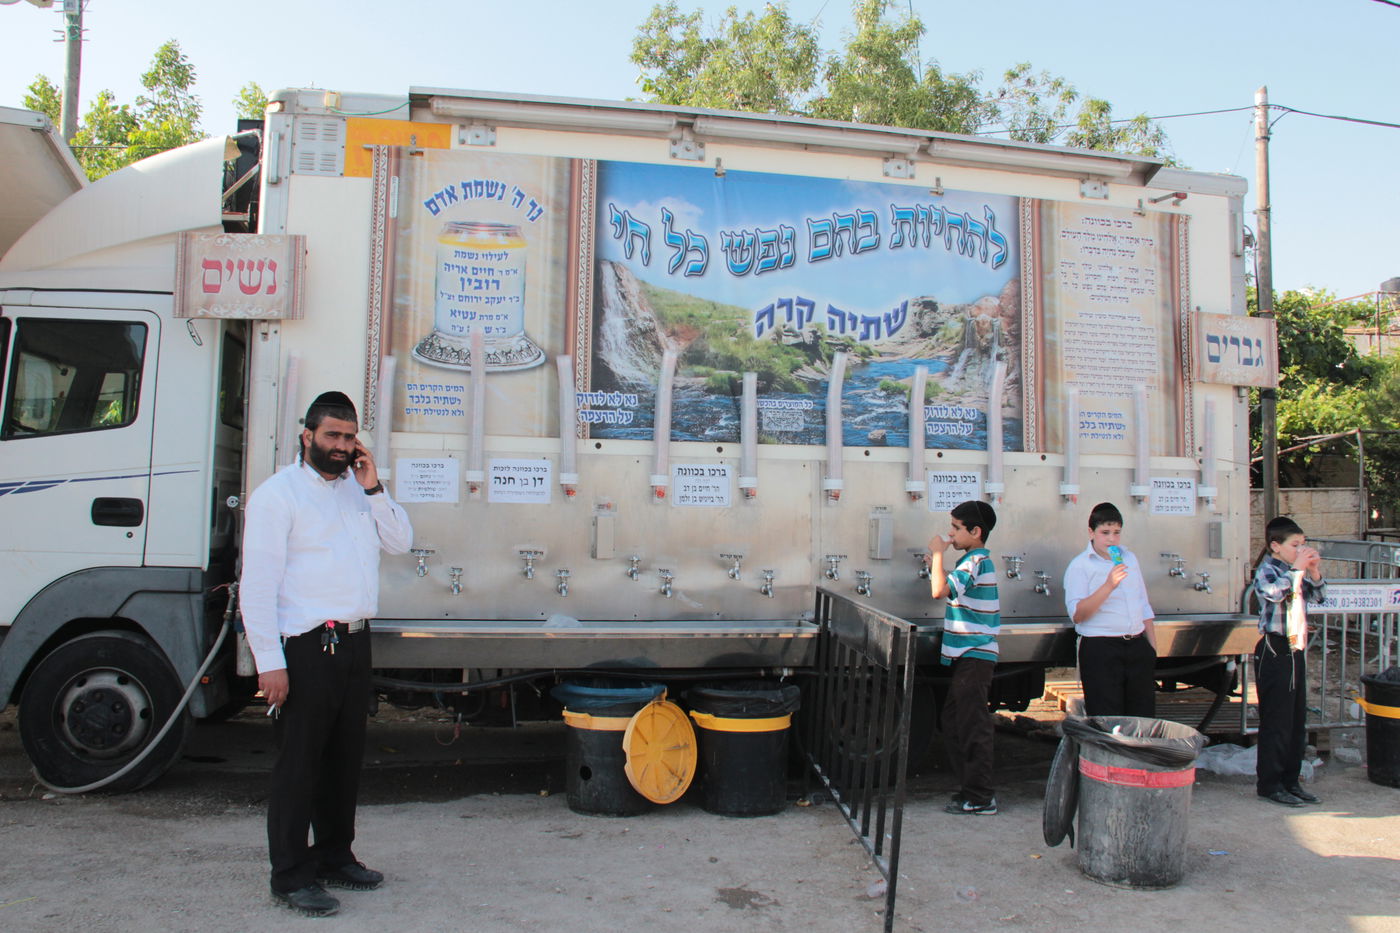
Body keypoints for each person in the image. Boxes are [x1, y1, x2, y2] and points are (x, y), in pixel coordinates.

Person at [240, 391, 414, 916]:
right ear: (307, 436)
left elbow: (401, 542)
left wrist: (374, 487)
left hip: (355, 641)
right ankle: (291, 876)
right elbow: (257, 586)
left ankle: (335, 855)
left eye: (348, 437)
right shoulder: (278, 495)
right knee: (299, 765)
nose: (340, 445)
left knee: (343, 760)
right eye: (331, 435)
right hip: (306, 647)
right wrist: (269, 663)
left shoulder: (359, 491)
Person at [926, 500, 1000, 815]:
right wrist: (937, 565)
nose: (951, 534)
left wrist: (938, 555)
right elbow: (948, 586)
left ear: (975, 531)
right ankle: (971, 790)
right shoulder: (972, 562)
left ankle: (981, 797)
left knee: (972, 725)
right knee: (954, 721)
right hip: (970, 656)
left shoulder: (975, 561)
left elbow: (938, 591)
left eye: (956, 528)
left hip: (975, 654)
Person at [1251, 515, 1325, 807]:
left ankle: (1291, 780)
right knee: (1276, 720)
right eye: (1295, 545)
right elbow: (1273, 594)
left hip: (1295, 647)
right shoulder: (1268, 570)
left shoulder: (1297, 572)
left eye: (1302, 545)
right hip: (1274, 648)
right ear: (1275, 546)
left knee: (1296, 720)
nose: (1300, 550)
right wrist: (1296, 570)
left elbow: (1318, 597)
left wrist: (1314, 571)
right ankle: (1270, 783)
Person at [1062, 502, 1158, 718]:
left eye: (1116, 532)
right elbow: (1078, 615)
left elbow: (1143, 603)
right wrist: (1108, 585)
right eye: (1105, 533)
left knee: (1142, 715)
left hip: (1136, 643)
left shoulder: (1130, 558)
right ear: (1091, 532)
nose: (1111, 539)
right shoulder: (1080, 565)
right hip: (1101, 646)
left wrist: (1151, 649)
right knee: (1107, 716)